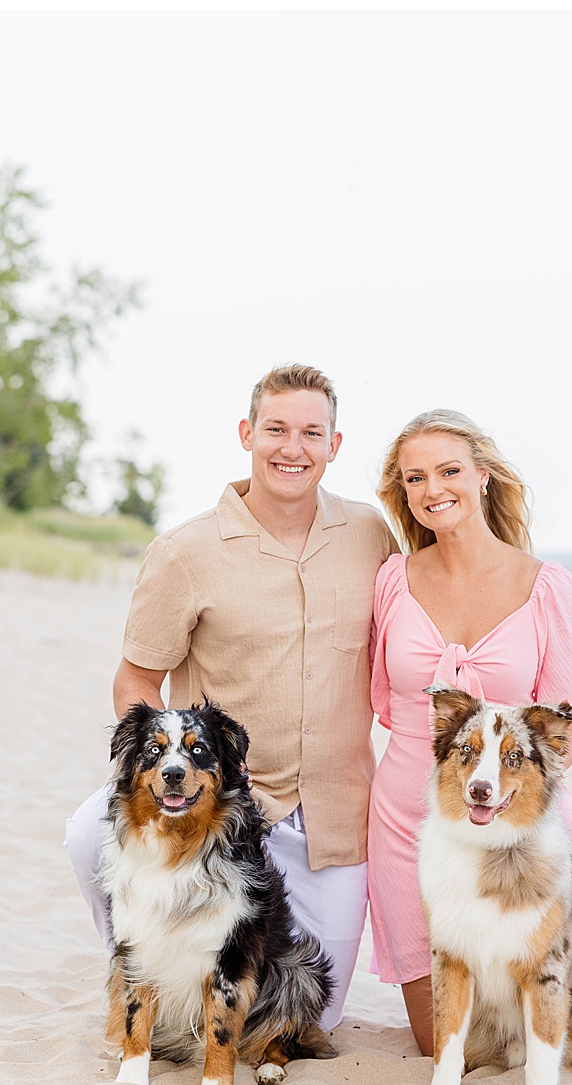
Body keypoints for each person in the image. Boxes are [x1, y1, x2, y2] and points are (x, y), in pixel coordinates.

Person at [65, 364, 398, 1031]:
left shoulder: (370, 534)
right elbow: (135, 679)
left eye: (311, 432)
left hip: (330, 813)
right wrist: (167, 771)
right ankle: (148, 973)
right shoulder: (184, 551)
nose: (291, 447)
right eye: (275, 428)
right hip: (219, 804)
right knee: (84, 834)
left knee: (310, 1022)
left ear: (334, 445)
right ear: (247, 433)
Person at [367, 409, 572, 1057]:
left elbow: (567, 723)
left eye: (449, 470)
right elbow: (377, 701)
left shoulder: (546, 586)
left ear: (484, 475)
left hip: (521, 796)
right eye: (414, 478)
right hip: (411, 807)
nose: (432, 488)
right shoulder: (391, 582)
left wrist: (521, 815)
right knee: (444, 1043)